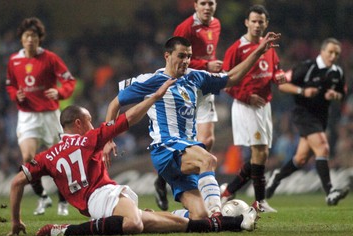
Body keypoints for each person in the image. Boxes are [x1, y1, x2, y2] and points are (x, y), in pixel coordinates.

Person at [7, 80, 258, 236]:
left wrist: (16, 220)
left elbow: (17, 182)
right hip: (103, 196)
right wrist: (153, 98)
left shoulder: (47, 156)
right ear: (78, 123)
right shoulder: (89, 139)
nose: (93, 124)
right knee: (135, 224)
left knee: (179, 223)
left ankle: (233, 223)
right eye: (89, 120)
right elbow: (127, 119)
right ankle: (63, 231)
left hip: (98, 205)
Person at [104, 34, 280, 220]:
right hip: (166, 148)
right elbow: (115, 104)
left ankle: (151, 216)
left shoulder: (196, 77)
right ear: (167, 56)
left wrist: (259, 51)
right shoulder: (151, 80)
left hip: (185, 150)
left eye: (188, 56)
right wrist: (108, 139)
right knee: (208, 160)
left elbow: (232, 77)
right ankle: (218, 214)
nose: (186, 60)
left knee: (199, 216)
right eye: (181, 56)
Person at [153, 0, 223, 211]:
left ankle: (193, 182)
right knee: (187, 140)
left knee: (207, 139)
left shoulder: (216, 24)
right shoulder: (185, 28)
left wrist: (212, 70)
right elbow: (178, 60)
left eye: (211, 3)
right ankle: (166, 179)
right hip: (186, 87)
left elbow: (206, 55)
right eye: (203, 3)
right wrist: (206, 65)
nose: (207, 7)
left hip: (204, 86)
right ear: (195, 5)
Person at [265, 38, 349, 205]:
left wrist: (335, 95)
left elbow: (343, 93)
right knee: (323, 147)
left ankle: (277, 176)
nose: (333, 56)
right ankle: (330, 192)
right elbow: (282, 85)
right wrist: (302, 91)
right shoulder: (306, 67)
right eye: (330, 52)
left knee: (301, 159)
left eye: (336, 54)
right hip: (304, 115)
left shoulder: (337, 72)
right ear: (322, 51)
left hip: (321, 118)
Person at [5, 17, 76, 216]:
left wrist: (60, 93)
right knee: (28, 159)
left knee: (58, 159)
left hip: (50, 116)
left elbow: (69, 80)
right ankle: (43, 197)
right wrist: (15, 95)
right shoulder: (14, 60)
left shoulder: (50, 58)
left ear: (39, 39)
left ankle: (63, 200)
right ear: (21, 39)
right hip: (27, 116)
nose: (30, 39)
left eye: (34, 36)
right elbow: (10, 84)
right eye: (27, 36)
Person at [220, 5, 284, 213]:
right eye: (253, 21)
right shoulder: (236, 49)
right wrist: (246, 96)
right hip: (247, 105)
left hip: (265, 105)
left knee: (262, 154)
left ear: (266, 24)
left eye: (261, 21)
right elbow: (224, 81)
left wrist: (279, 76)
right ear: (246, 22)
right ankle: (260, 202)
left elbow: (274, 70)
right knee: (259, 150)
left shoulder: (269, 48)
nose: (257, 25)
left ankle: (228, 191)